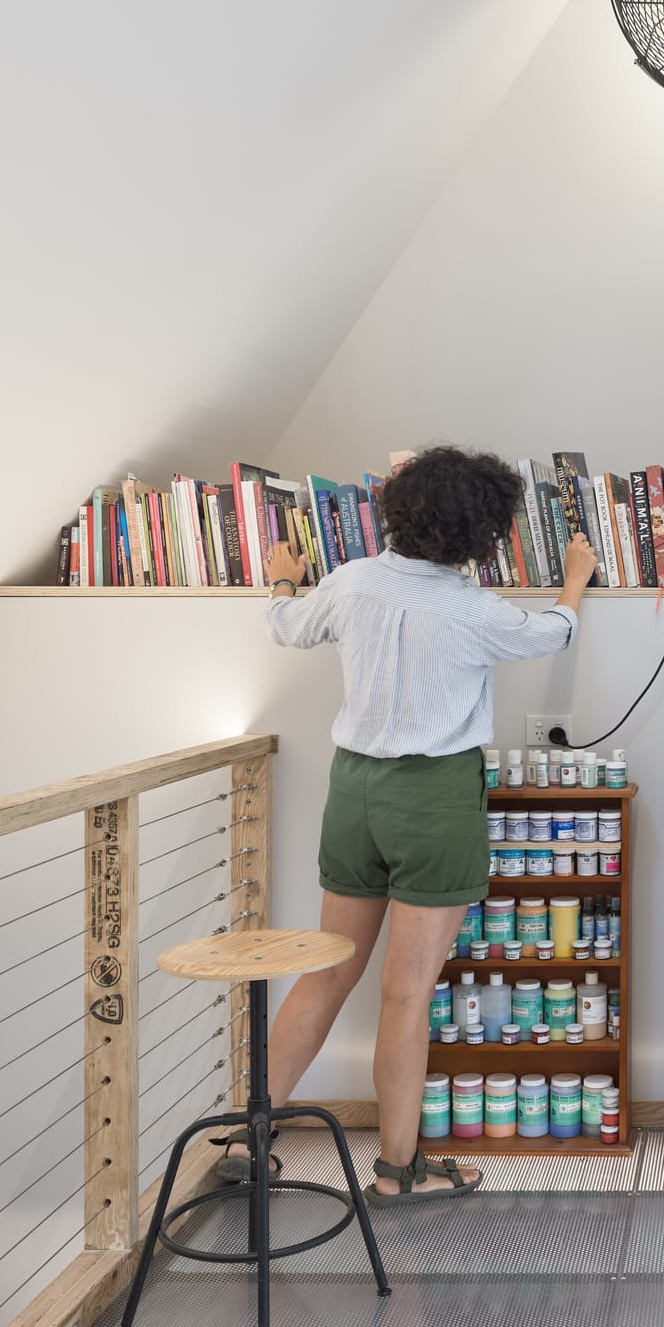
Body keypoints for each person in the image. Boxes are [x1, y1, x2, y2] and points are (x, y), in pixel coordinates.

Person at [251, 446, 596, 1202]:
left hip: (354, 795)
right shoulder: (473, 611)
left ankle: (251, 1139)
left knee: (328, 974)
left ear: (398, 510)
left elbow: (285, 624)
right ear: (482, 536)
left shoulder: (351, 582)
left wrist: (281, 575)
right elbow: (553, 634)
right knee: (406, 994)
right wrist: (574, 582)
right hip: (434, 798)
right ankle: (398, 1172)